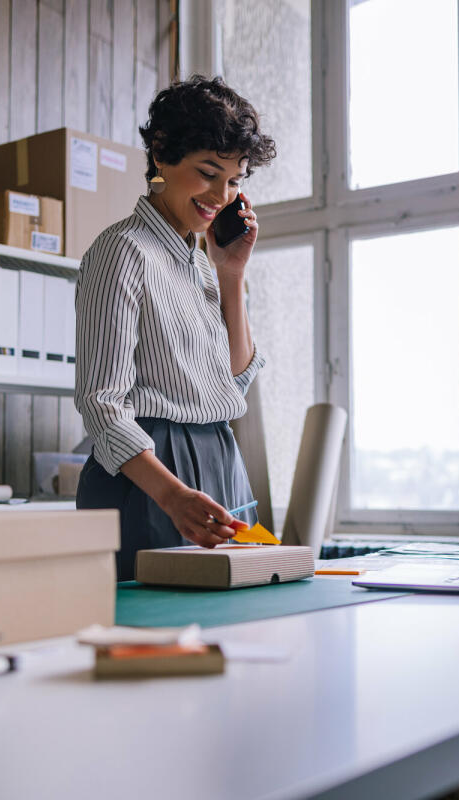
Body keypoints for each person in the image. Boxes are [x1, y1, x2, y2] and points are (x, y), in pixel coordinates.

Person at [75, 75, 277, 581]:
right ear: (161, 155)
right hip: (149, 477)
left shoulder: (204, 261)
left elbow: (231, 384)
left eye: (234, 181)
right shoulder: (121, 251)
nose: (220, 195)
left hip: (219, 463)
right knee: (150, 634)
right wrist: (171, 494)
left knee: (230, 632)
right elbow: (102, 404)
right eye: (208, 173)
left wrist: (232, 273)